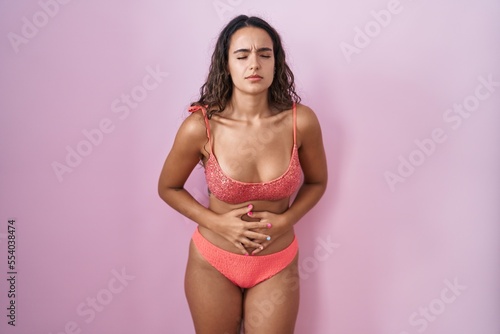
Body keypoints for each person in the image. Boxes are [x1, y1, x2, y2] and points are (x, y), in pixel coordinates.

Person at [158, 14, 327, 334]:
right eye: (242, 55)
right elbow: (168, 187)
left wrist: (286, 220)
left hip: (276, 264)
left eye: (265, 54)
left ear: (276, 63)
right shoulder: (200, 126)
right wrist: (217, 222)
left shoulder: (300, 122)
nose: (255, 64)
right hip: (213, 262)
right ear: (226, 64)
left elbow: (317, 182)